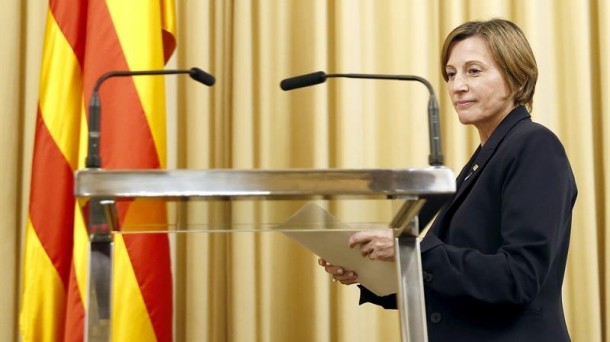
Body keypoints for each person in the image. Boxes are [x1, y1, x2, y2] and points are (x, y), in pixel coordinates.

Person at [318, 18, 577, 341]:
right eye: (451, 74)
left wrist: (410, 249)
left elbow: (518, 278)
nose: (457, 86)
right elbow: (455, 282)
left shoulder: (535, 145)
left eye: (474, 71)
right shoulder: (483, 160)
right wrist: (369, 272)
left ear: (515, 76)